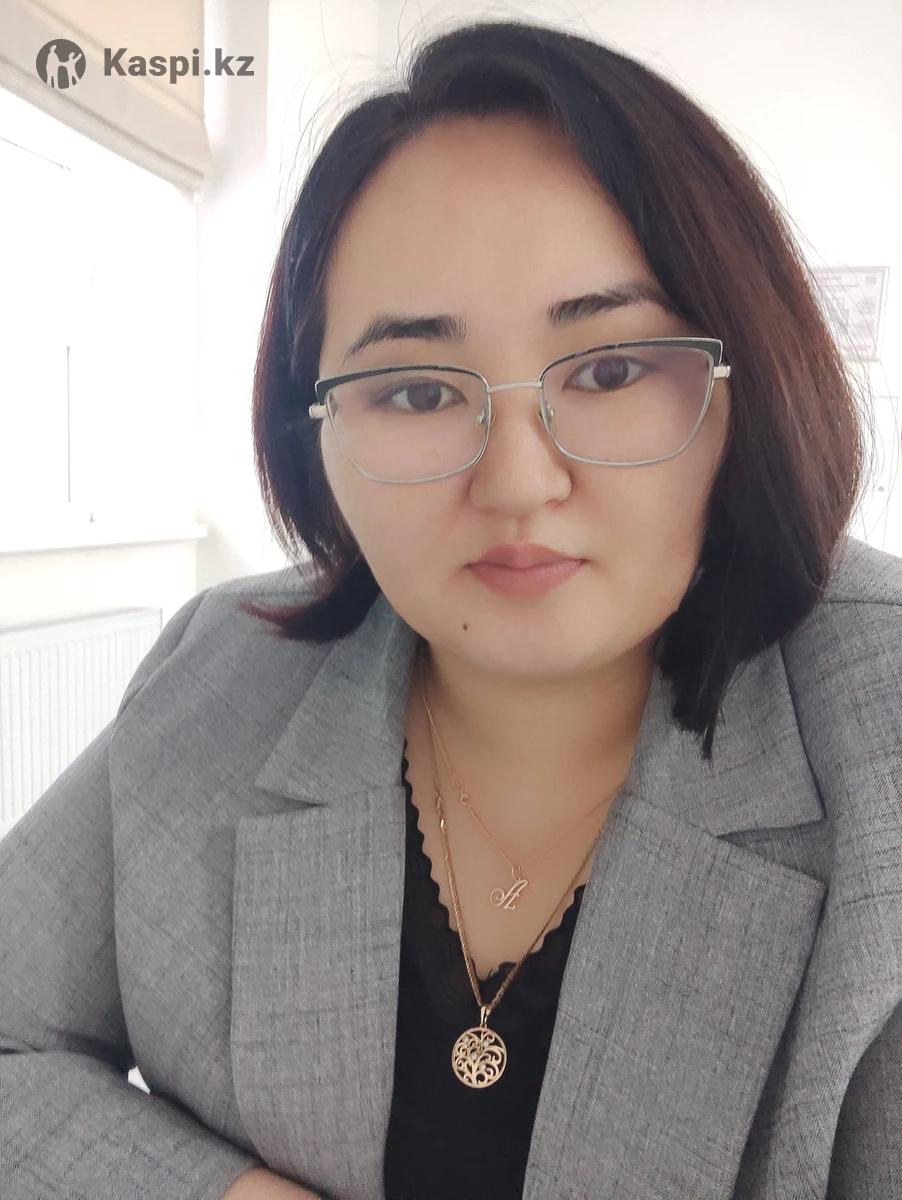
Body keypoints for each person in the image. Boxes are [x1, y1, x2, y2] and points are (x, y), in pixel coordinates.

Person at [2, 18, 900, 1200]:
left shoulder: (877, 732)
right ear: (312, 432)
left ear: (748, 384)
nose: (517, 482)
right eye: (418, 391)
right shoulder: (222, 670)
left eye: (610, 370)